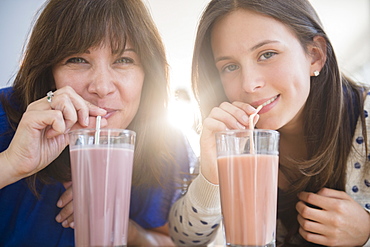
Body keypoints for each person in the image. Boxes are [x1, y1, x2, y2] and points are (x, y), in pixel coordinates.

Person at [168, 0, 370, 246]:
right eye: (230, 66)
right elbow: (184, 239)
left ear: (315, 56)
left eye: (267, 54)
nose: (248, 84)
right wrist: (211, 176)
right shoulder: (234, 139)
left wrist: (367, 232)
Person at [0, 0, 193, 246]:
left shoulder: (165, 143)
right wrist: (11, 164)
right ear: (49, 71)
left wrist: (123, 227)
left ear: (148, 73)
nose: (101, 88)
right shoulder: (5, 117)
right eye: (78, 59)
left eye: (123, 60)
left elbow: (170, 242)